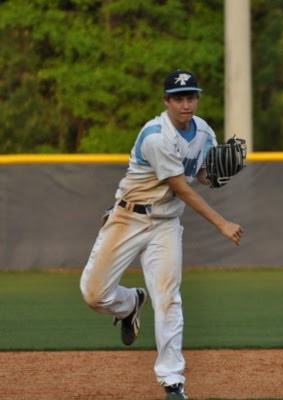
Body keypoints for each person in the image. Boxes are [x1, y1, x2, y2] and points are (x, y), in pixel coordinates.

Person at [80, 69, 243, 400]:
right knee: (93, 294)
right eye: (179, 98)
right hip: (128, 217)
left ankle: (172, 381)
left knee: (169, 298)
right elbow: (181, 187)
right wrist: (222, 223)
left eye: (191, 97)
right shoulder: (156, 136)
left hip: (165, 224)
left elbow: (199, 174)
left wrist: (215, 176)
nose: (186, 104)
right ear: (166, 101)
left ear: (197, 98)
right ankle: (130, 304)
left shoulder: (204, 133)